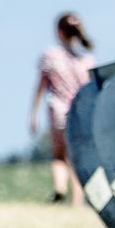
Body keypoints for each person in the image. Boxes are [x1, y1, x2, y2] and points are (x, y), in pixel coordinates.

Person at [28, 12, 94, 203]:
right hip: (80, 113)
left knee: (59, 155)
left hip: (57, 110)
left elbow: (40, 86)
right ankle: (76, 202)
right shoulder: (86, 58)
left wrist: (32, 115)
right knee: (77, 158)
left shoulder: (51, 55)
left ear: (59, 32)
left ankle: (59, 188)